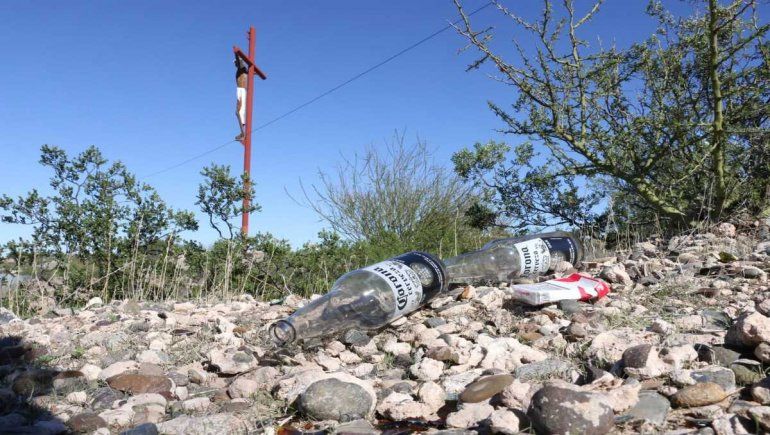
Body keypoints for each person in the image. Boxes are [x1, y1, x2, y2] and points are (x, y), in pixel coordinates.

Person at [234, 57, 249, 142]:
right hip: (240, 90)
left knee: (238, 112)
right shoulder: (243, 70)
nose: (235, 64)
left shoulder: (242, 68)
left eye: (236, 62)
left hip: (241, 90)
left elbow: (240, 63)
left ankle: (243, 133)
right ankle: (242, 132)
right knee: (239, 112)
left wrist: (236, 53)